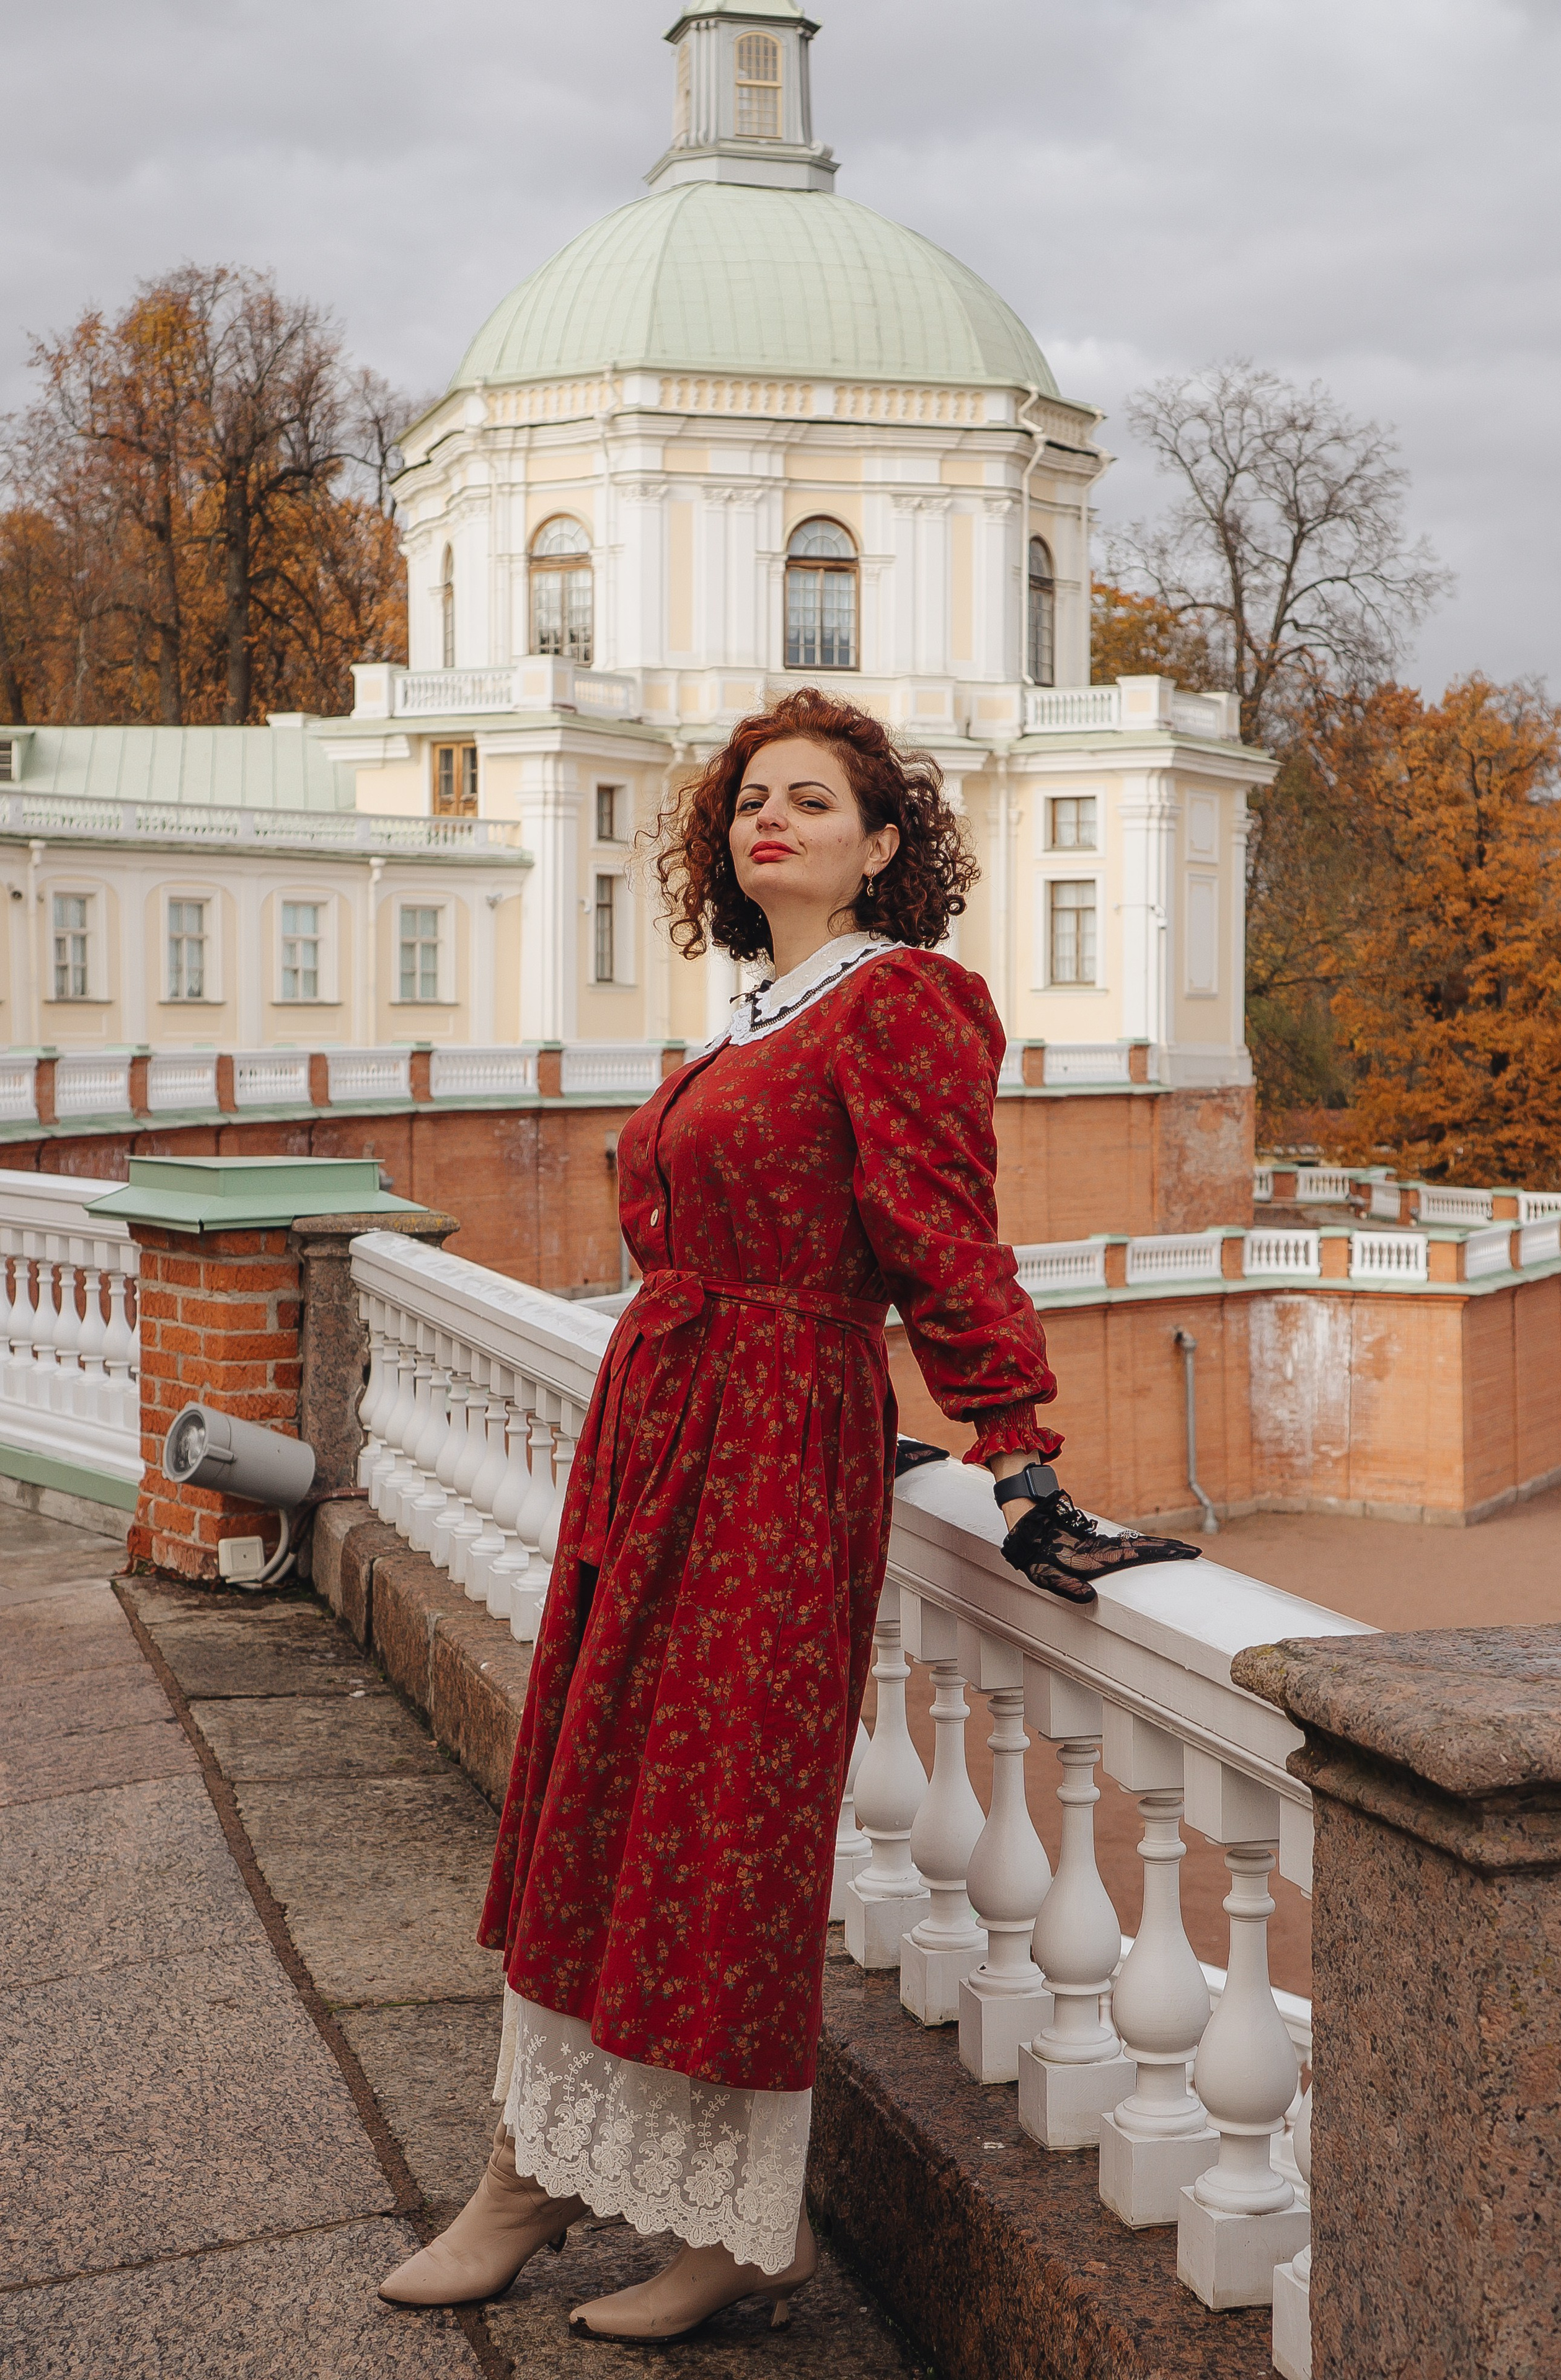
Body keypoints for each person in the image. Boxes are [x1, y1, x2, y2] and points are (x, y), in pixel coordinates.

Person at [378, 687, 1081, 2339]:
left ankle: (722, 2222)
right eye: (754, 799)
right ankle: (533, 2166)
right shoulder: (758, 1014)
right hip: (672, 1424)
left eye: (818, 801)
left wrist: (1016, 1444)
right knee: (606, 1790)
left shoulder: (902, 1000)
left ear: (884, 845)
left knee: (723, 1819)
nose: (776, 819)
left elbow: (939, 1232)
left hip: (773, 1442)